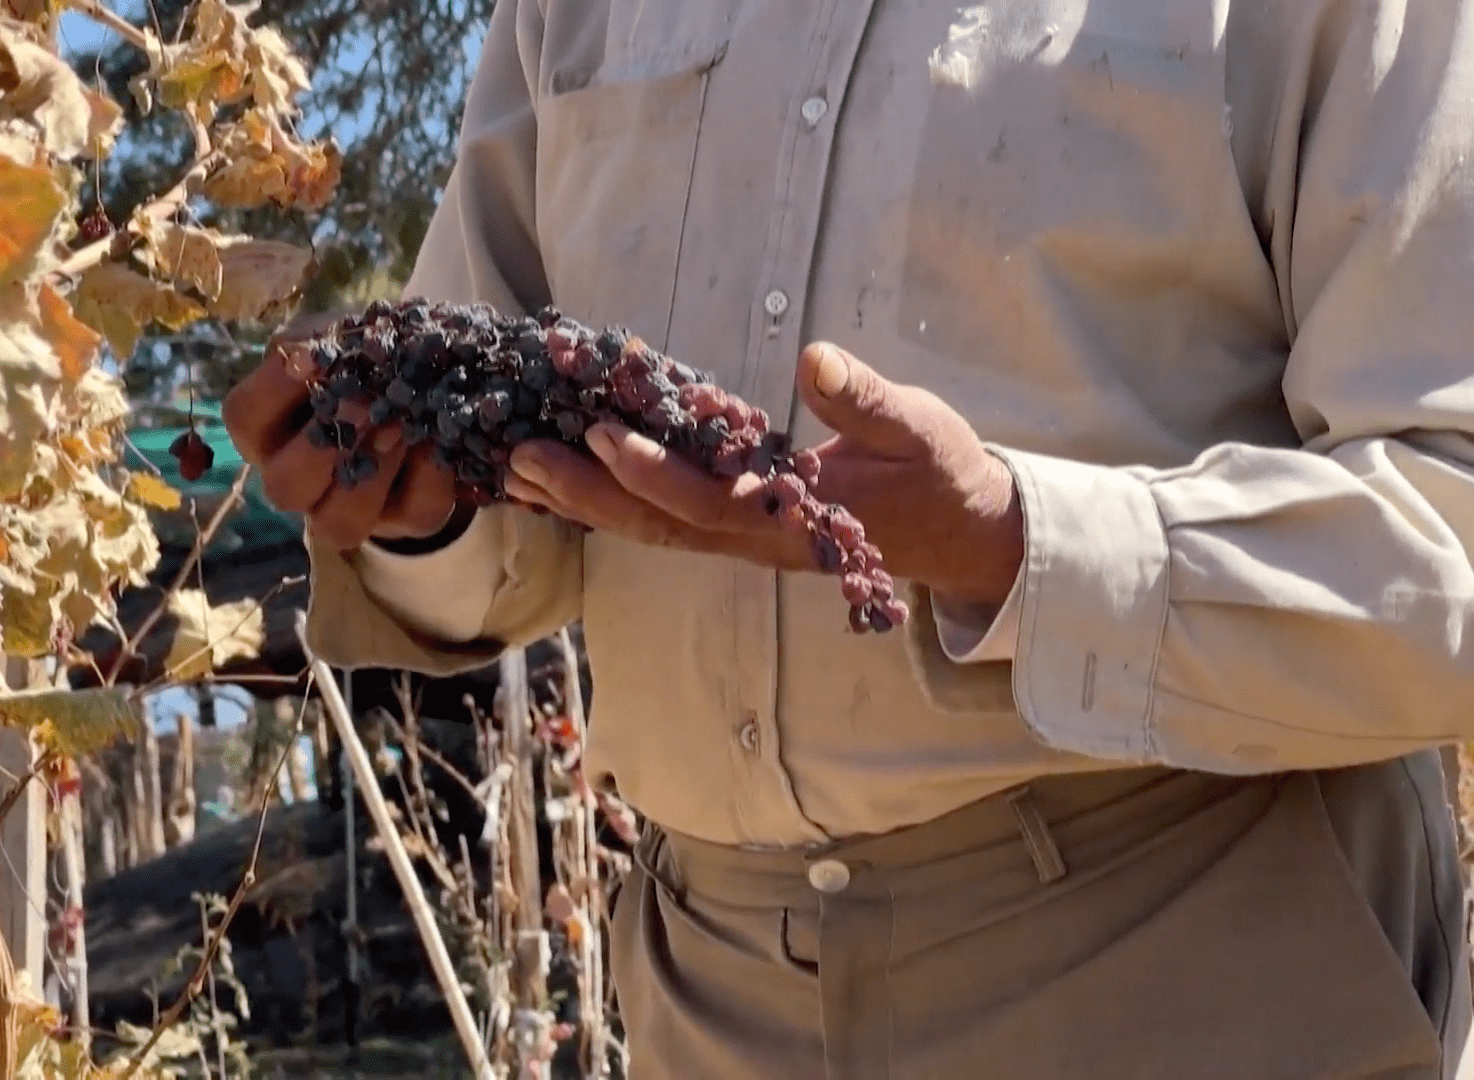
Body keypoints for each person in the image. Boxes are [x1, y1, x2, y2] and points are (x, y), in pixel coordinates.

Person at [222, 0, 1474, 1074]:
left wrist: (1014, 543)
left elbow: (1449, 529)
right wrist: (411, 508)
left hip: (1195, 962)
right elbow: (496, 499)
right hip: (706, 1000)